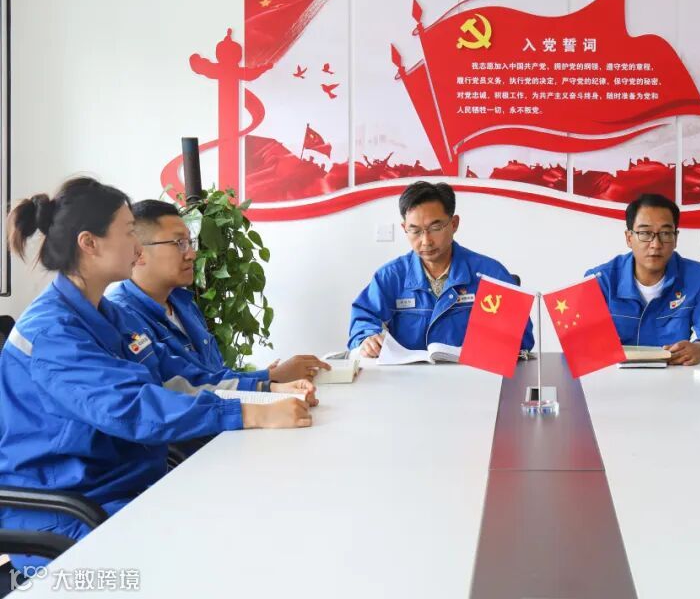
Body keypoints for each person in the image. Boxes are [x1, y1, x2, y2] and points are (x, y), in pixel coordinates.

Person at [0, 178, 314, 575]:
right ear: (89, 243)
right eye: (129, 232)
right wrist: (248, 413)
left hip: (123, 482)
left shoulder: (109, 315)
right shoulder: (51, 332)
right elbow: (131, 407)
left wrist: (264, 391)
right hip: (71, 505)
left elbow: (177, 377)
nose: (138, 247)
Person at [107, 200, 331, 387]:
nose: (192, 254)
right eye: (180, 243)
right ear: (138, 252)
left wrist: (267, 378)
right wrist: (268, 379)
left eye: (190, 242)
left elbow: (213, 376)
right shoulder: (121, 317)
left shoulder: (183, 303)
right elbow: (182, 391)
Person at [349, 181, 533, 355]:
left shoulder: (490, 273)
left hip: (473, 374)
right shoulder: (391, 276)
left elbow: (523, 338)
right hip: (409, 376)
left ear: (454, 224)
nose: (426, 241)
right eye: (415, 230)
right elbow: (362, 322)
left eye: (435, 228)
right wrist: (368, 338)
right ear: (404, 228)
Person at [586, 193, 700, 365]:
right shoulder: (599, 281)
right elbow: (582, 344)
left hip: (675, 374)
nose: (656, 244)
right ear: (629, 238)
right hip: (615, 376)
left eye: (665, 233)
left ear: (675, 238)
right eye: (645, 233)